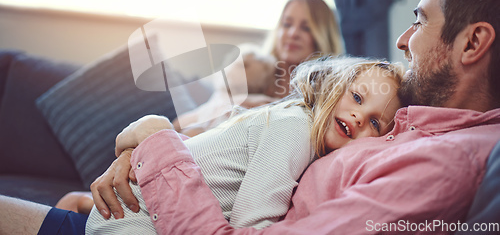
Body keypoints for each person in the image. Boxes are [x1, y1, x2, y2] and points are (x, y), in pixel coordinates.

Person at [0, 0, 498, 234]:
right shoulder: (412, 110)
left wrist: (156, 138)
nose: (403, 39)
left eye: (420, 21)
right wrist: (150, 148)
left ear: (472, 42)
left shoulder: (441, 160)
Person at [84, 56, 403, 234]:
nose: (359, 116)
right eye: (357, 97)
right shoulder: (296, 129)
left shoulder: (294, 121)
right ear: (335, 85)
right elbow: (250, 223)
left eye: (375, 123)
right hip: (133, 221)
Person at [173, 0, 344, 136]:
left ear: (322, 36)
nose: (293, 33)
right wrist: (243, 102)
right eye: (287, 24)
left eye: (306, 28)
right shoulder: (251, 69)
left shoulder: (327, 92)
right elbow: (187, 122)